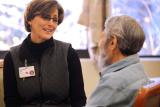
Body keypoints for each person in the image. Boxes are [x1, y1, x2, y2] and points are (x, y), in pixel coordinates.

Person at [3, 0, 86, 107]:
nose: (51, 24)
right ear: (29, 19)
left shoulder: (68, 53)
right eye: (46, 17)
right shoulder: (12, 57)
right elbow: (11, 101)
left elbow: (79, 99)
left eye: (55, 20)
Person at [85, 15, 149, 107]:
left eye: (102, 37)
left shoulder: (113, 83)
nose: (99, 44)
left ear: (112, 43)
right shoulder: (139, 70)